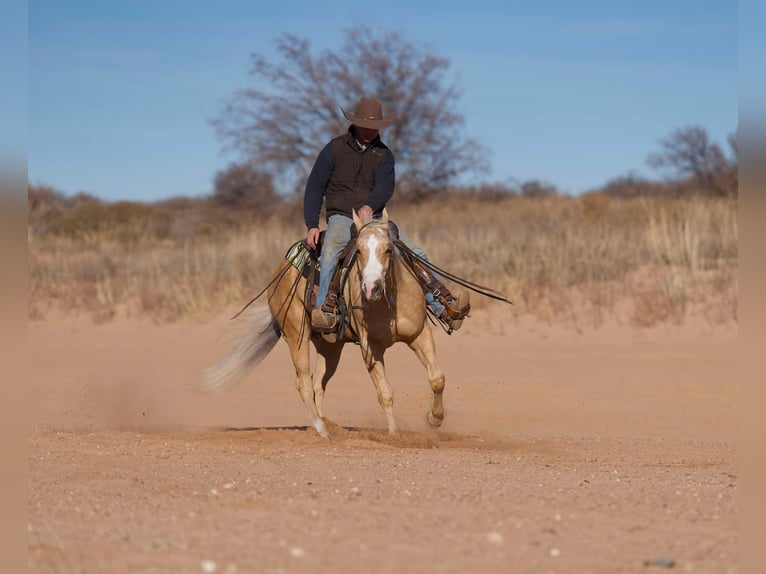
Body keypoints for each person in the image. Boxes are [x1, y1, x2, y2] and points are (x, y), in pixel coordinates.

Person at [304, 97, 470, 333]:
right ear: (355, 123)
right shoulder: (334, 149)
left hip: (374, 219)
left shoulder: (384, 155)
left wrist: (371, 205)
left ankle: (443, 306)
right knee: (330, 251)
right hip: (341, 216)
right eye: (366, 125)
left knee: (417, 252)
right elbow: (314, 187)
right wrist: (312, 223)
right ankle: (325, 311)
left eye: (375, 127)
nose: (371, 131)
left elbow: (385, 187)